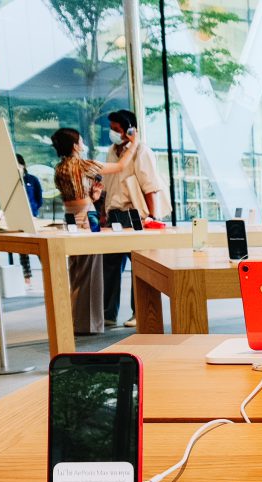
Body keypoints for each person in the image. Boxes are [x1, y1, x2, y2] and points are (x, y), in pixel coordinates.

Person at [51, 127, 136, 335]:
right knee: (91, 271)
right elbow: (120, 166)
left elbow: (74, 197)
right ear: (75, 146)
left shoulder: (59, 168)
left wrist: (93, 197)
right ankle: (87, 324)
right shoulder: (83, 165)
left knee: (78, 271)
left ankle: (76, 319)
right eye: (80, 141)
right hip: (86, 219)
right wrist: (134, 144)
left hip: (70, 217)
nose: (82, 144)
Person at [102, 109, 169, 328]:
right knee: (110, 265)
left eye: (116, 129)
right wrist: (104, 213)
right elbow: (108, 186)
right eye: (111, 128)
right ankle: (108, 313)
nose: (113, 132)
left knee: (140, 266)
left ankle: (139, 312)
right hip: (114, 214)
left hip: (135, 215)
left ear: (130, 130)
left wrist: (152, 217)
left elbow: (150, 186)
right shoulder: (111, 152)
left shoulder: (142, 151)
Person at [15, 153, 44, 288]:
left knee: (39, 247)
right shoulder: (12, 181)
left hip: (33, 217)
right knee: (23, 250)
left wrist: (34, 209)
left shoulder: (32, 179)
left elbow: (39, 198)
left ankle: (47, 272)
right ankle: (27, 277)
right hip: (18, 218)